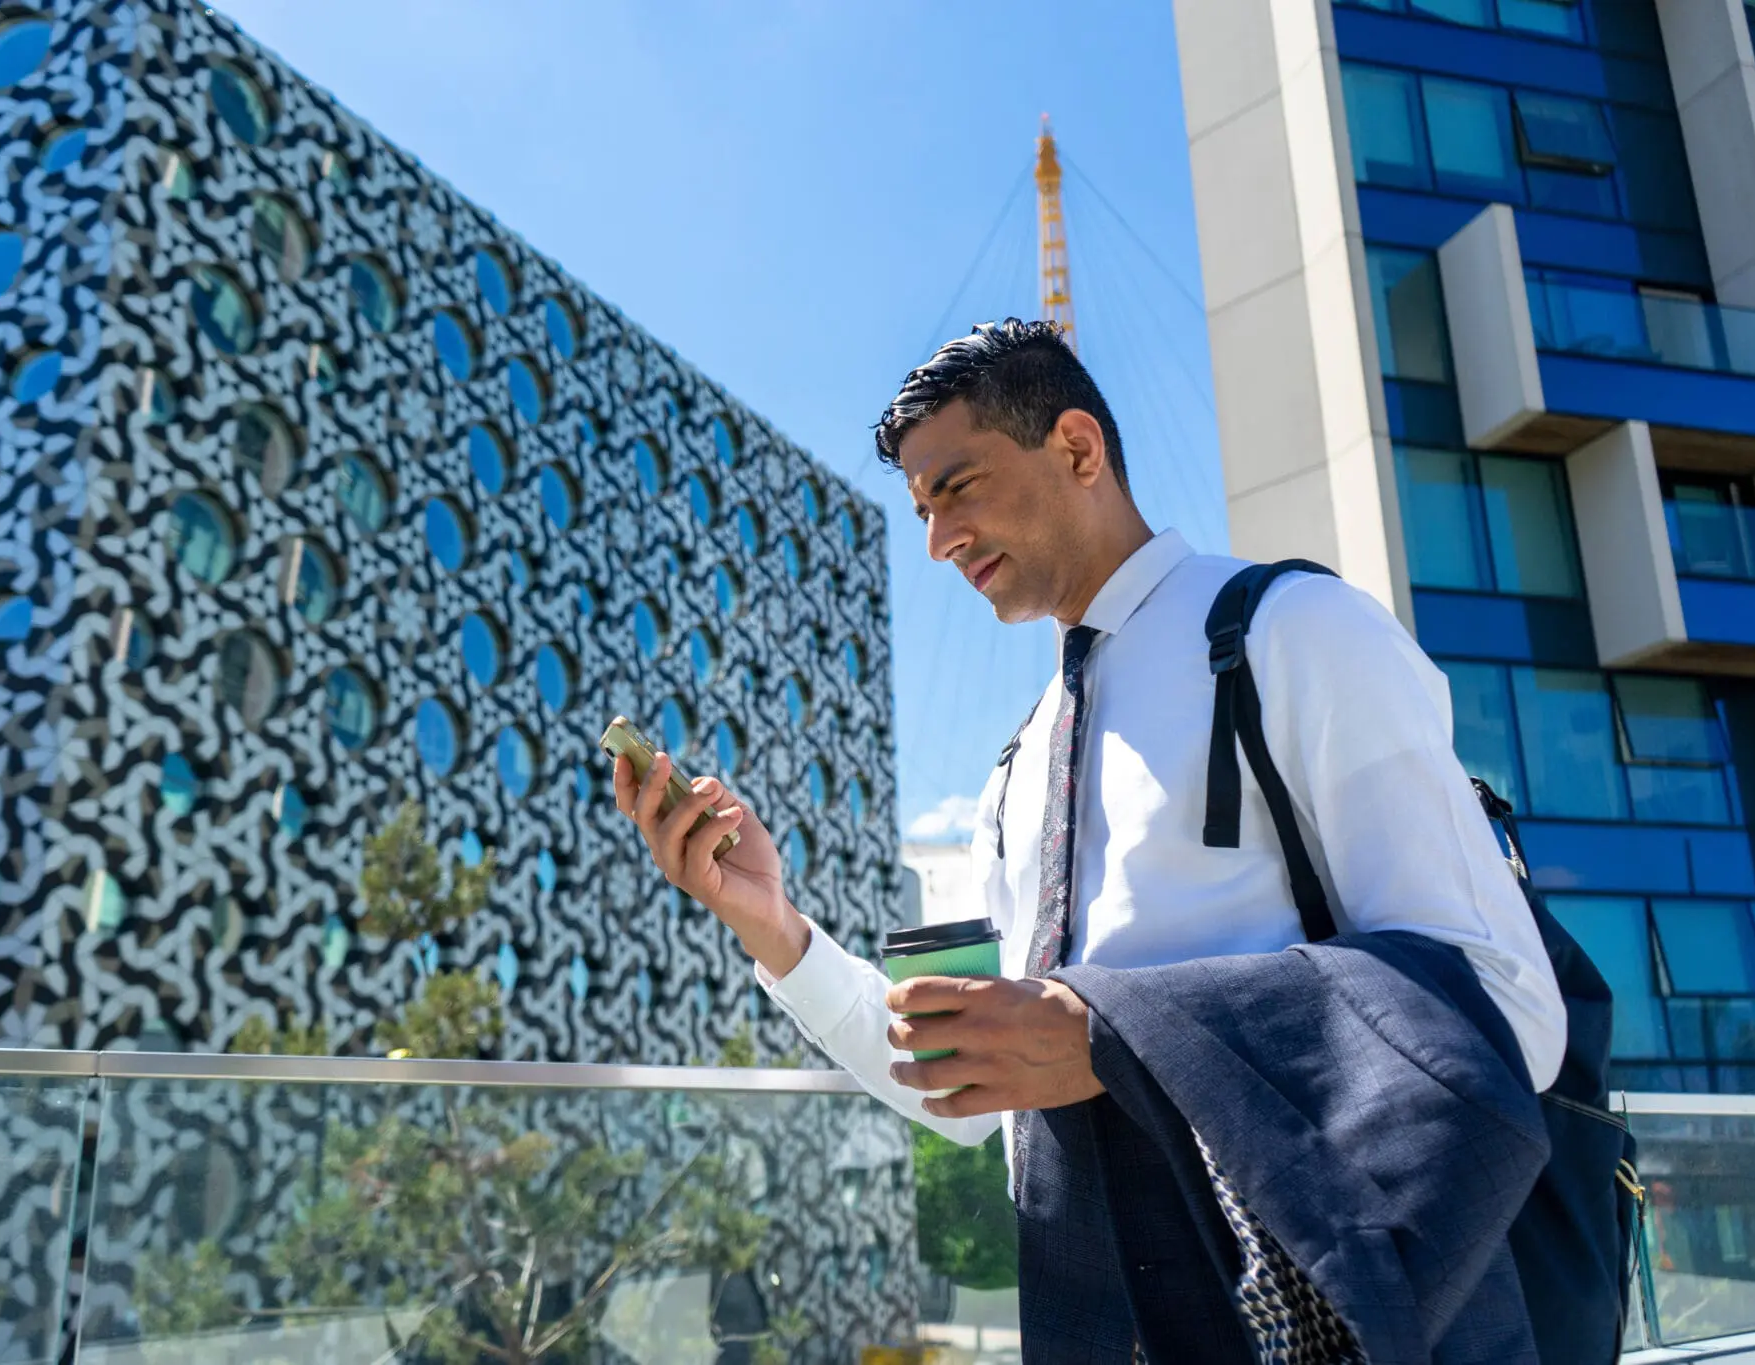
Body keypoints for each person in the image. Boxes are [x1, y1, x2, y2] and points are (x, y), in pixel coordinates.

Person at [612, 318, 1569, 1360]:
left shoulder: (1293, 631)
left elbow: (1503, 1005)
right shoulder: (1016, 772)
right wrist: (776, 928)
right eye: (921, 509)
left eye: (958, 487)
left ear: (1076, 449)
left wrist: (1112, 1037)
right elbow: (963, 1095)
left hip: (1326, 1315)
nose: (936, 541)